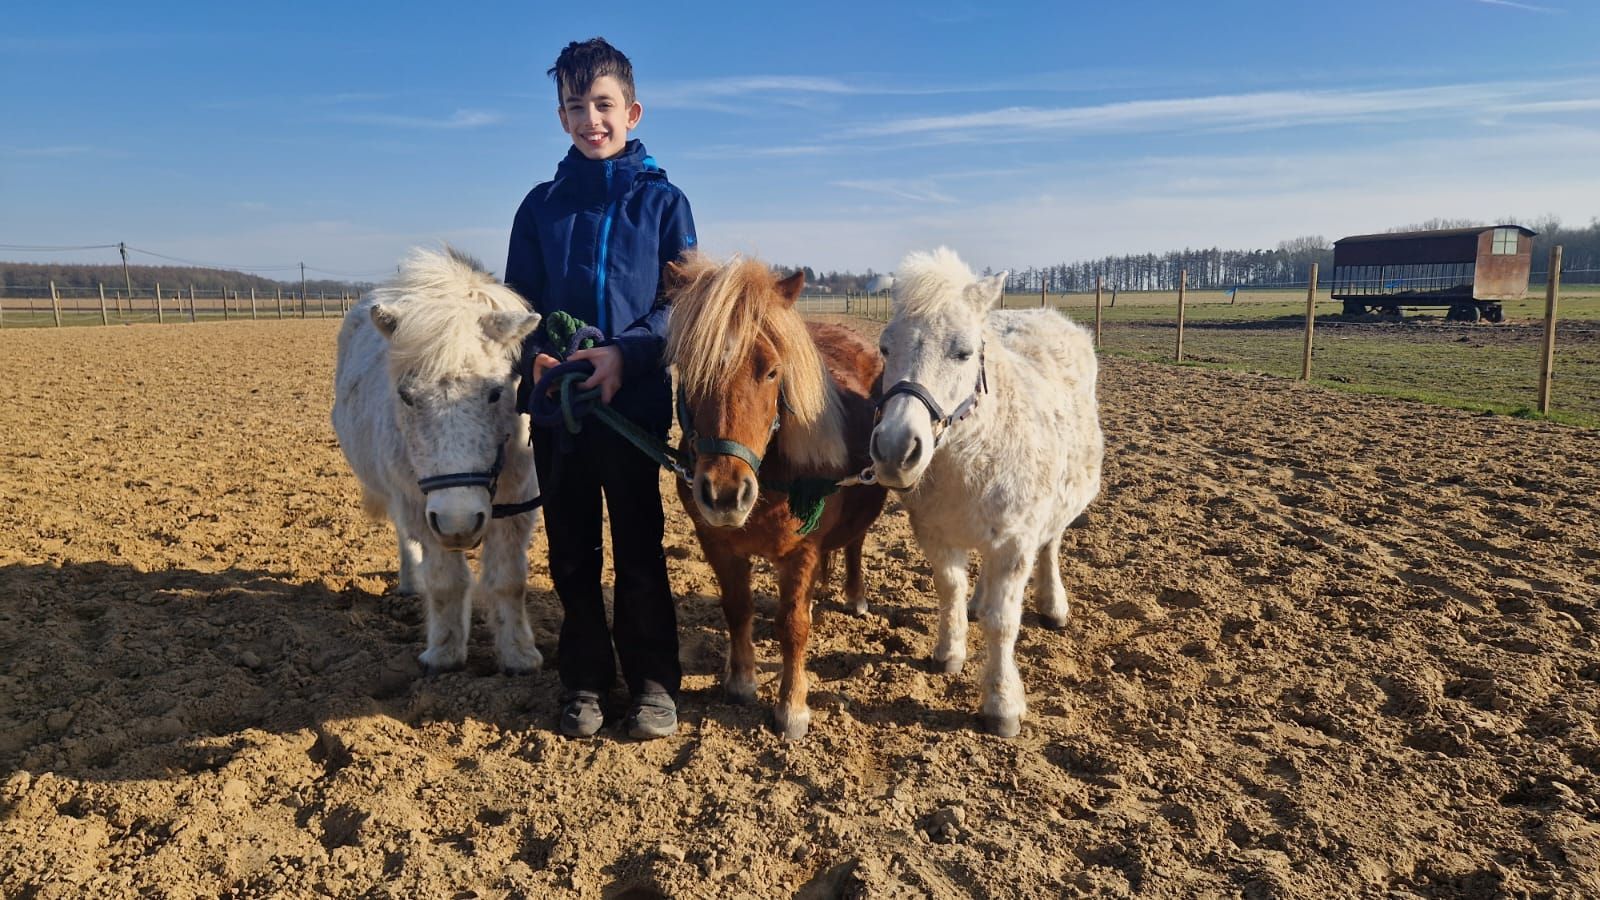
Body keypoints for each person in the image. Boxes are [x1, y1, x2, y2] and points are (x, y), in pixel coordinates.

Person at [504, 37, 696, 740]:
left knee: (640, 551)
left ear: (633, 111)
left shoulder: (664, 204)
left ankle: (652, 683)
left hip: (633, 411)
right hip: (561, 415)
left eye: (604, 105)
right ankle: (584, 680)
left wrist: (624, 355)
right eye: (576, 106)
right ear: (560, 117)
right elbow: (517, 304)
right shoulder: (540, 208)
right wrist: (534, 361)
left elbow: (680, 306)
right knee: (572, 554)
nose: (592, 119)